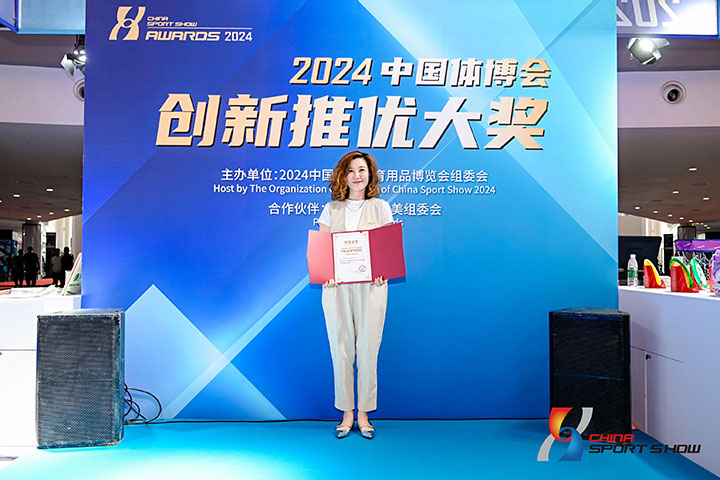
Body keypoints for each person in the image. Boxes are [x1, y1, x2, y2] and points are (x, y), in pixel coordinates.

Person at [318, 151, 394, 440]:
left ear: (370, 174)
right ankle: (346, 413)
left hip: (372, 287)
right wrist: (326, 271)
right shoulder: (331, 209)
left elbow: (387, 249)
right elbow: (322, 249)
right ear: (343, 175)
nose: (357, 176)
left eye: (362, 170)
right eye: (350, 170)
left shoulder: (381, 207)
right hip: (336, 287)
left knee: (368, 349)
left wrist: (384, 270)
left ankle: (364, 414)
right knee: (340, 349)